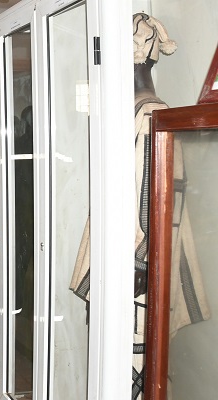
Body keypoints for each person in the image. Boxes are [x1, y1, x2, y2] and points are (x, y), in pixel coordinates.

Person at [69, 14, 209, 398]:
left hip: (135, 278)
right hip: (119, 272)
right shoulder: (127, 111)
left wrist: (133, 270)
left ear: (138, 55)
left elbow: (159, 209)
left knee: (134, 376)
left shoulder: (150, 114)